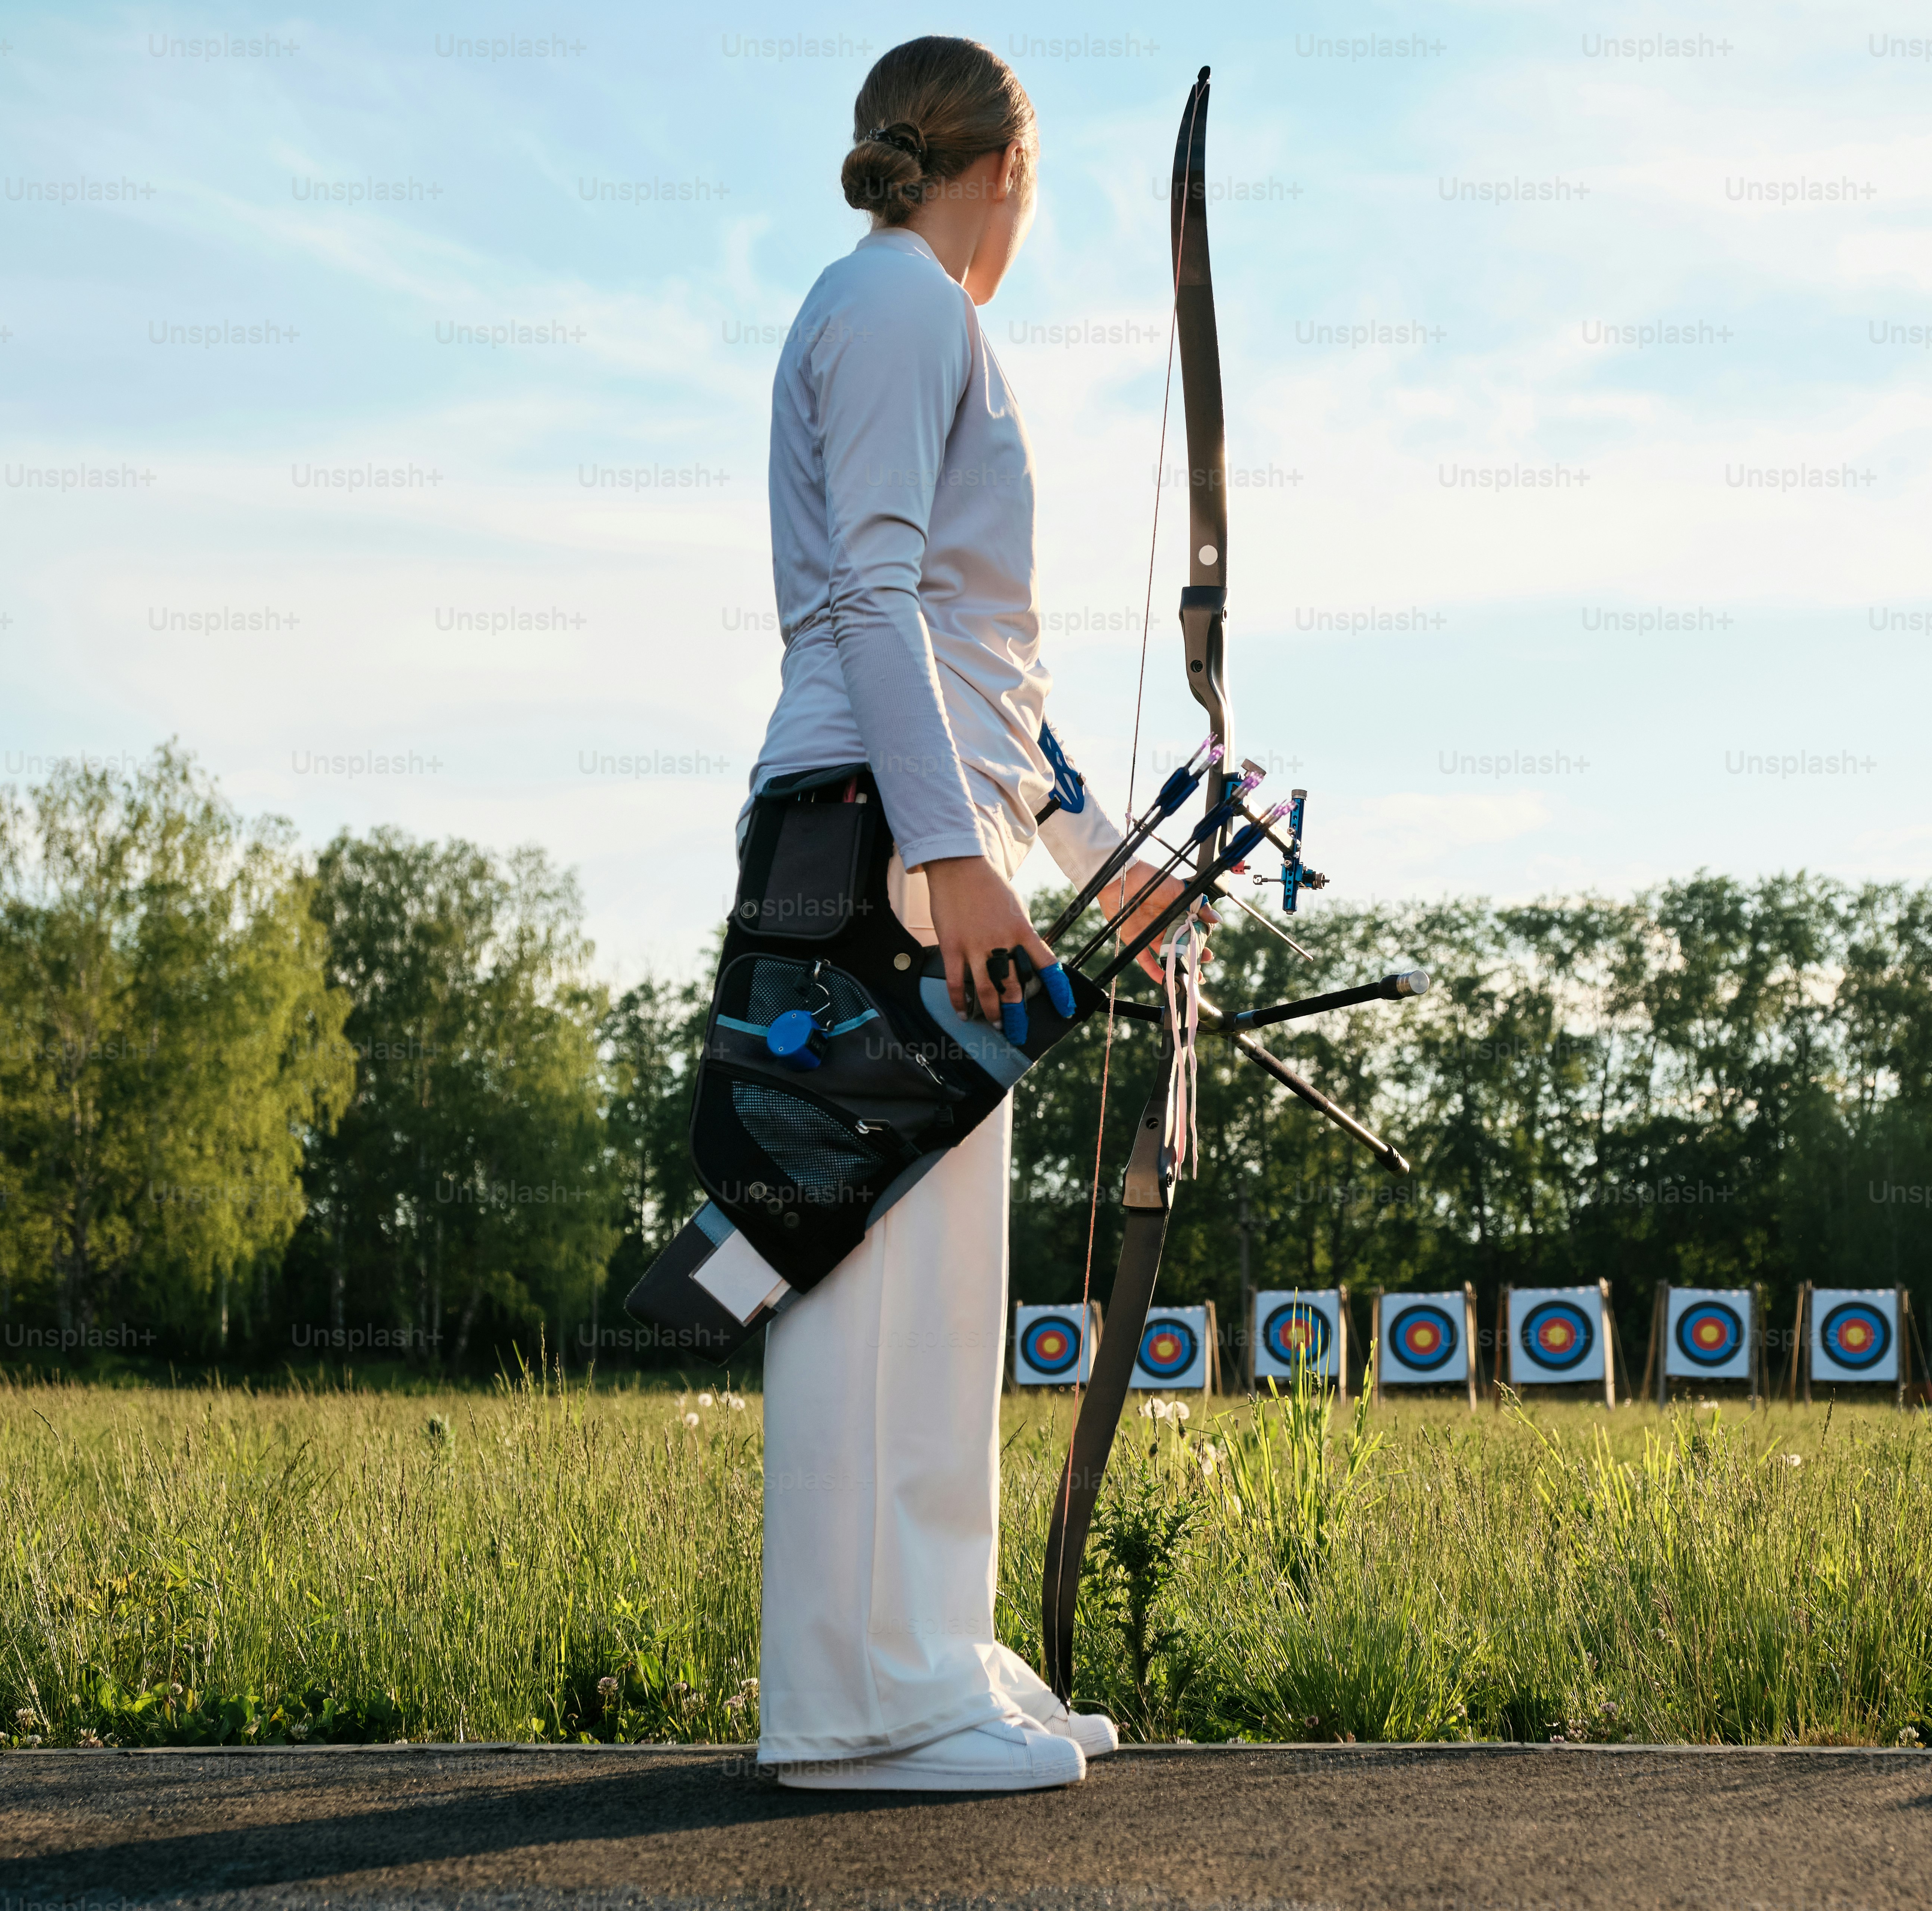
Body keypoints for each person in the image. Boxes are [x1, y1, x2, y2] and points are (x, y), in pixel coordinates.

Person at [743, 36, 1187, 1794]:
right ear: (1005, 166)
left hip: (920, 828)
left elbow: (984, 665)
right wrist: (946, 856)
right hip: (877, 836)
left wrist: (1113, 876)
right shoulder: (901, 301)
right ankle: (854, 1710)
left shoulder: (914, 309)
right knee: (868, 1264)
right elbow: (870, 587)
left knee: (940, 1279)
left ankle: (930, 1655)